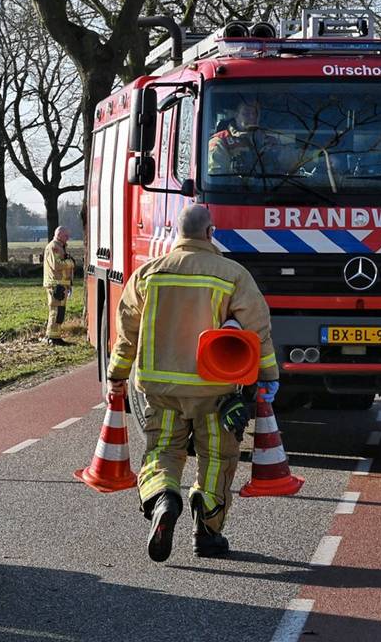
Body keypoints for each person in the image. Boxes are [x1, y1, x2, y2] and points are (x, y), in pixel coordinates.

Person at [106, 205, 279, 561]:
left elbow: (126, 334)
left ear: (177, 234)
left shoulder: (147, 274)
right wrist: (268, 376)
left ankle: (163, 499)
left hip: (159, 390)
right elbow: (257, 330)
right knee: (216, 457)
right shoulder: (232, 274)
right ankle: (208, 533)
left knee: (163, 451)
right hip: (214, 390)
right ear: (210, 232)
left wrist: (116, 376)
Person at [206, 99, 295, 176]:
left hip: (273, 192)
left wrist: (307, 160)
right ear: (236, 115)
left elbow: (292, 159)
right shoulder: (220, 141)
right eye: (246, 113)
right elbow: (217, 179)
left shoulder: (268, 141)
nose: (252, 117)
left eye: (255, 113)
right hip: (237, 194)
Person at [42, 226, 75, 346]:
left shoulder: (61, 247)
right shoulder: (54, 247)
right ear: (59, 235)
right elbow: (57, 264)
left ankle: (56, 336)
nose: (68, 238)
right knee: (55, 311)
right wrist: (70, 263)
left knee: (59, 311)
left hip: (61, 284)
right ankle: (51, 337)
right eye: (66, 236)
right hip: (56, 284)